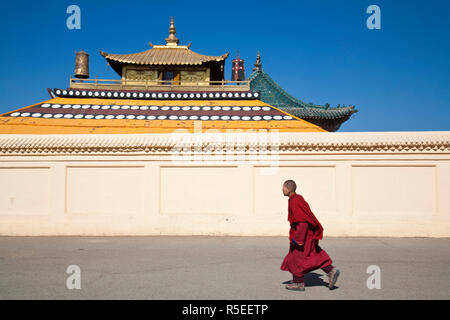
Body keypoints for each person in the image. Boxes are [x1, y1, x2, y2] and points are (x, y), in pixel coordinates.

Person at [280, 179, 340, 291]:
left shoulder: (295, 201)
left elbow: (302, 221)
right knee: (313, 255)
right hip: (307, 234)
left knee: (295, 258)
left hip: (302, 234)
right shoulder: (298, 198)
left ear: (288, 189)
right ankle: (331, 271)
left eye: (283, 187)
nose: (282, 190)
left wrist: (298, 240)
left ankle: (298, 283)